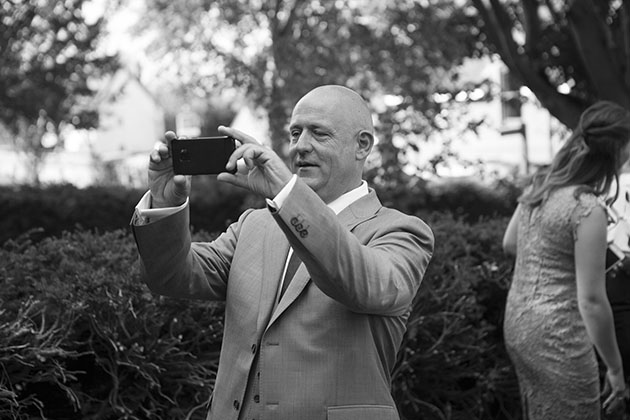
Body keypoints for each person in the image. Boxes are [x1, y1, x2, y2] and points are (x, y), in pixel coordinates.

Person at [131, 85, 434, 420]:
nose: (301, 146)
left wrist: (286, 193)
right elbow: (171, 277)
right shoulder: (254, 225)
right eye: (295, 132)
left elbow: (362, 283)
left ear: (362, 145)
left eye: (318, 133)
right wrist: (166, 203)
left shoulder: (401, 231)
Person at [502, 100, 630, 419]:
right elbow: (591, 302)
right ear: (614, 155)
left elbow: (510, 243)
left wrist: (553, 260)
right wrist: (615, 368)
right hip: (559, 335)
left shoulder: (542, 186)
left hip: (518, 324)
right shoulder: (587, 209)